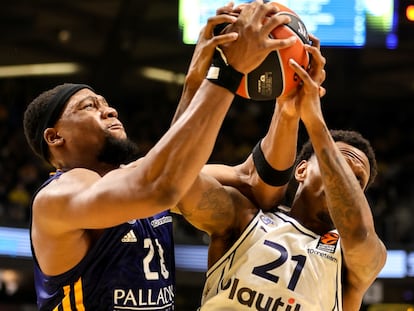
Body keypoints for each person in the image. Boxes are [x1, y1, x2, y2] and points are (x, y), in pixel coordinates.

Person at [22, 2, 300, 310]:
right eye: (89, 107)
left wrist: (287, 106)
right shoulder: (57, 197)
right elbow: (160, 186)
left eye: (105, 103)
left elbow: (254, 180)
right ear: (55, 136)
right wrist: (227, 73)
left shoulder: (137, 175)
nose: (110, 110)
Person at [172, 16, 387, 310]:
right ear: (301, 170)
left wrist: (313, 119)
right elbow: (175, 182)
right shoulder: (245, 216)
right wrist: (200, 80)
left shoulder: (356, 260)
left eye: (356, 180)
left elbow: (359, 231)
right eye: (334, 165)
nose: (343, 178)